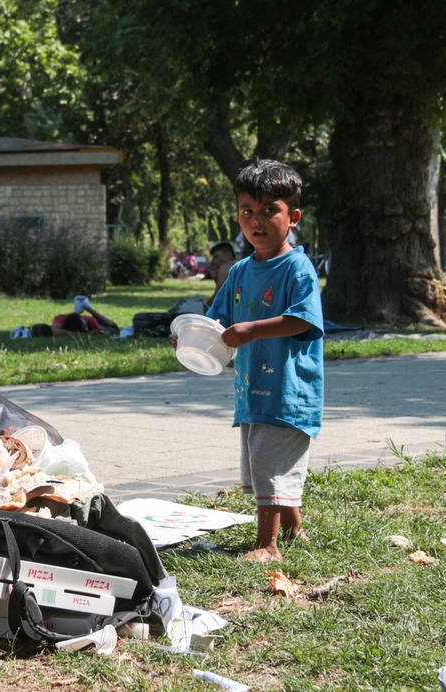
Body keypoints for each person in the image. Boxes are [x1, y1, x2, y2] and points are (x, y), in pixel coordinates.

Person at [175, 159, 324, 562]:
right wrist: (189, 336)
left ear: (292, 217)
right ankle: (293, 529)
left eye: (268, 211)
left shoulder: (298, 267)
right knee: (264, 461)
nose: (256, 221)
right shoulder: (239, 271)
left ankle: (267, 545)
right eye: (247, 211)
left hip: (289, 391)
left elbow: (302, 320)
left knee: (267, 462)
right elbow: (216, 320)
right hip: (252, 389)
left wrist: (253, 329)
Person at [50, 296, 120, 336]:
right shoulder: (60, 319)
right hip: (75, 322)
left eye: (85, 326)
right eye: (84, 328)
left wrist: (97, 331)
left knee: (114, 328)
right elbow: (55, 332)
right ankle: (79, 310)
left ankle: (88, 308)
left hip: (98, 324)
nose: (86, 329)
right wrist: (84, 334)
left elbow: (103, 331)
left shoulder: (90, 320)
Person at [207, 240, 237, 305]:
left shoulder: (225, 267)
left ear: (228, 254)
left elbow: (218, 297)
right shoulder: (241, 265)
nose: (214, 261)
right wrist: (216, 279)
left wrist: (205, 304)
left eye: (216, 257)